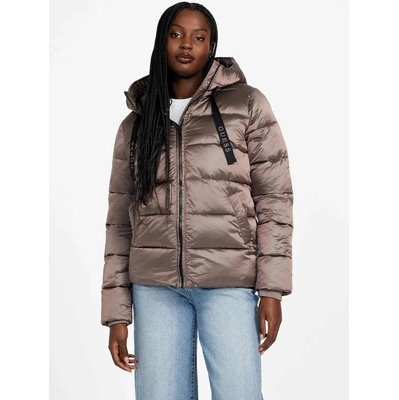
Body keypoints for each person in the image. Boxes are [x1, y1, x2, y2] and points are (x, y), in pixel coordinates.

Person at [101, 2, 293, 399]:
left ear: (211, 46)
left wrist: (271, 290)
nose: (186, 44)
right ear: (162, 42)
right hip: (154, 288)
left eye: (199, 37)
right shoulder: (137, 123)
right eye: (176, 34)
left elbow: (275, 199)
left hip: (229, 281)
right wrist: (117, 313)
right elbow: (120, 220)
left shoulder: (246, 105)